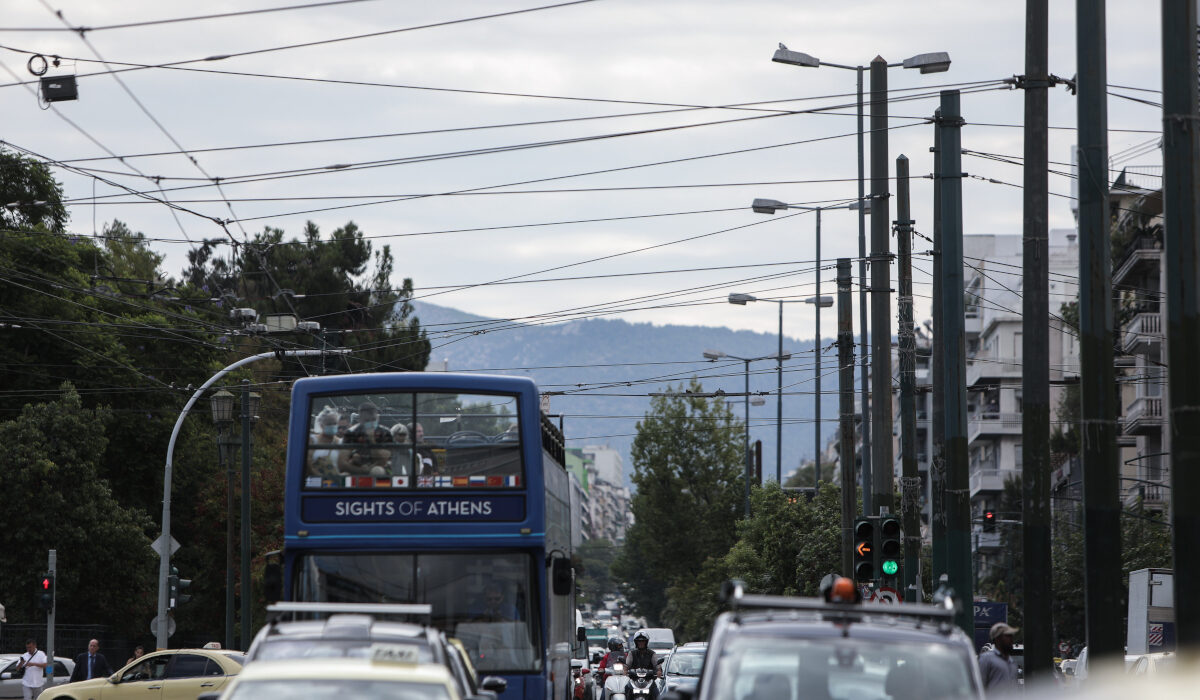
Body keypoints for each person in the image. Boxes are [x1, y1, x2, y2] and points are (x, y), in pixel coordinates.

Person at [337, 402, 392, 475]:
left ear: (377, 417)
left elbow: (383, 460)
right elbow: (342, 463)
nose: (371, 423)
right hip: (356, 468)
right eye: (367, 420)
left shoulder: (385, 432)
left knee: (377, 471)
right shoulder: (351, 433)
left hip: (378, 468)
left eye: (373, 419)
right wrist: (360, 470)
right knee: (344, 475)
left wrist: (372, 440)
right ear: (360, 419)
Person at [978, 622, 1020, 693]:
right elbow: (979, 686)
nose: (1011, 639)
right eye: (1007, 636)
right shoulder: (986, 659)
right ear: (997, 638)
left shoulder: (1012, 663)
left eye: (1011, 636)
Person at [307, 406, 343, 478]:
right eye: (329, 424)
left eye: (334, 423)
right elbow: (307, 463)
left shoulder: (340, 442)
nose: (332, 426)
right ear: (321, 425)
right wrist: (319, 477)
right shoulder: (313, 440)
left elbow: (343, 465)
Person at [624, 632, 659, 699]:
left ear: (646, 642)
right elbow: (627, 665)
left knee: (656, 693)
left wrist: (658, 671)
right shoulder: (631, 653)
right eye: (639, 641)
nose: (641, 643)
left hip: (649, 680)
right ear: (636, 642)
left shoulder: (652, 654)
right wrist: (625, 672)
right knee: (626, 689)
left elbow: (657, 666)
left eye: (643, 641)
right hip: (634, 680)